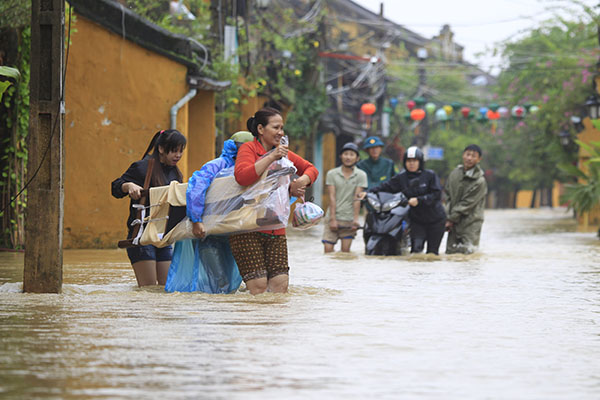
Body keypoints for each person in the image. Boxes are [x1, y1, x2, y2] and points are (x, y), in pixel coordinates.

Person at [229, 107, 319, 295]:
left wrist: (300, 182)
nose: (280, 132)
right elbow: (242, 177)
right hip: (247, 228)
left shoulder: (284, 153)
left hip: (275, 227)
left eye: (282, 128)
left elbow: (311, 169)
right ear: (261, 129)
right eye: (275, 127)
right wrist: (271, 156)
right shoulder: (248, 149)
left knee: (281, 285)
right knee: (259, 287)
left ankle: (275, 323)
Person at [165, 131, 254, 294]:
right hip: (209, 233)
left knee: (231, 284)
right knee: (220, 281)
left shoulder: (253, 168)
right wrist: (196, 220)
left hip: (234, 234)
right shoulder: (217, 165)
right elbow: (196, 189)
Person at [111, 129, 186, 286]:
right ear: (161, 149)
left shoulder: (175, 173)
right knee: (149, 289)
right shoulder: (142, 168)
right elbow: (115, 187)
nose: (178, 155)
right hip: (142, 237)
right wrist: (128, 186)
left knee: (167, 288)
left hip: (162, 237)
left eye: (181, 151)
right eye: (174, 150)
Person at [364, 146, 446, 255]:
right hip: (417, 220)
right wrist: (368, 192)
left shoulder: (430, 175)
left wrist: (419, 200)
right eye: (408, 161)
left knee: (432, 253)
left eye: (414, 161)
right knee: (416, 252)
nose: (411, 163)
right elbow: (386, 186)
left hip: (435, 219)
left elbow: (436, 194)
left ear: (420, 162)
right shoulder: (401, 177)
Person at [322, 142, 368, 253]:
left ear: (357, 158)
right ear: (341, 156)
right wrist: (332, 219)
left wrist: (355, 220)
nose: (348, 157)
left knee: (345, 254)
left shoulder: (361, 175)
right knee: (328, 251)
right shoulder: (332, 174)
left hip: (349, 219)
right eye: (346, 154)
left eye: (352, 154)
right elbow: (331, 197)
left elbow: (357, 199)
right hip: (332, 217)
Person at [444, 144, 488, 254]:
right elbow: (448, 196)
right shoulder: (454, 174)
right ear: (463, 155)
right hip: (453, 223)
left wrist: (450, 219)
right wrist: (447, 216)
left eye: (473, 156)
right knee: (451, 253)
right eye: (468, 154)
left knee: (469, 255)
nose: (469, 158)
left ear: (479, 159)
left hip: (471, 223)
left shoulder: (480, 181)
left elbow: (467, 203)